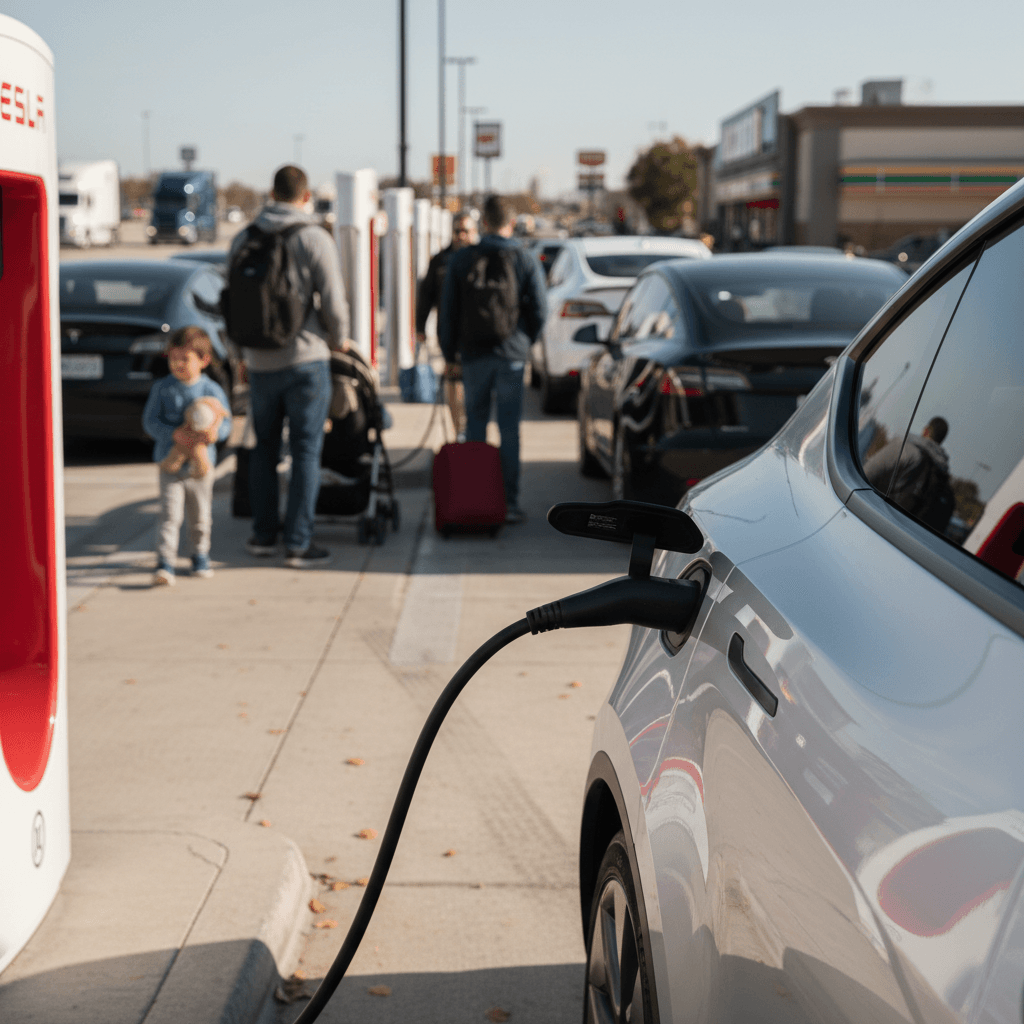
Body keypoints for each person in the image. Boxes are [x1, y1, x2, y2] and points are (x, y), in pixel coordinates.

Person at [227, 164, 350, 567]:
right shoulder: (314, 237)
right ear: (306, 196)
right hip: (306, 360)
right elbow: (333, 301)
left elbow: (232, 300)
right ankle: (298, 543)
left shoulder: (244, 237)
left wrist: (240, 355)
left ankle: (263, 536)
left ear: (271, 193)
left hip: (260, 362)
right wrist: (339, 340)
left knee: (263, 449)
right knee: (305, 452)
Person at [438, 195, 548, 524]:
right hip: (511, 354)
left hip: (473, 355)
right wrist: (525, 340)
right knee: (509, 429)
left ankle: (476, 502)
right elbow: (540, 308)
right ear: (511, 223)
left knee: (475, 424)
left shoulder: (462, 259)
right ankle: (509, 503)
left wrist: (449, 353)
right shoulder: (525, 258)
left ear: (484, 223)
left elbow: (448, 311)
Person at [142, 326, 232, 586]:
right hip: (169, 465)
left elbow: (225, 422)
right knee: (170, 516)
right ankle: (165, 561)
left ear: (204, 360)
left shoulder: (212, 390)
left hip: (202, 468)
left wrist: (215, 433)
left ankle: (200, 555)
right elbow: (150, 422)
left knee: (201, 517)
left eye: (185, 359)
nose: (178, 364)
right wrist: (173, 434)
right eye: (173, 359)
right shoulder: (162, 389)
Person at [416, 211, 477, 438]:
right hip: (450, 333)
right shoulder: (440, 260)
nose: (461, 235)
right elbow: (426, 295)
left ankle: (472, 430)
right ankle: (459, 430)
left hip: (478, 334)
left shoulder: (482, 258)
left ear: (474, 232)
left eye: (466, 231)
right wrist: (420, 327)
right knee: (454, 381)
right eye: (457, 231)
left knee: (475, 383)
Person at [863, 415, 955, 532]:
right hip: (907, 536)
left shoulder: (905, 449)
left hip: (878, 525)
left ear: (926, 431)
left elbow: (864, 475)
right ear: (941, 441)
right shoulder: (942, 473)